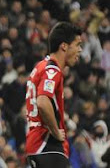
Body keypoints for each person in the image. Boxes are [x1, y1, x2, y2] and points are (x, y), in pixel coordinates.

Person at [25, 22, 82, 167]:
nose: (80, 50)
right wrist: (56, 132)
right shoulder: (53, 70)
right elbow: (43, 102)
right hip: (47, 145)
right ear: (64, 46)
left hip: (37, 145)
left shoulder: (41, 66)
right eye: (77, 44)